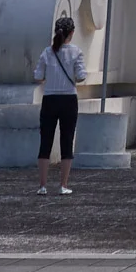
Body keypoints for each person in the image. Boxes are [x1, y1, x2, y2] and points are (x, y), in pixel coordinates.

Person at [34, 14, 85, 196]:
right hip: (69, 100)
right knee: (66, 141)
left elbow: (38, 76)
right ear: (72, 33)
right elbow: (81, 76)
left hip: (49, 99)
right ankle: (63, 185)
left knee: (45, 142)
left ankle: (42, 185)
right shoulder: (76, 52)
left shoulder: (47, 52)